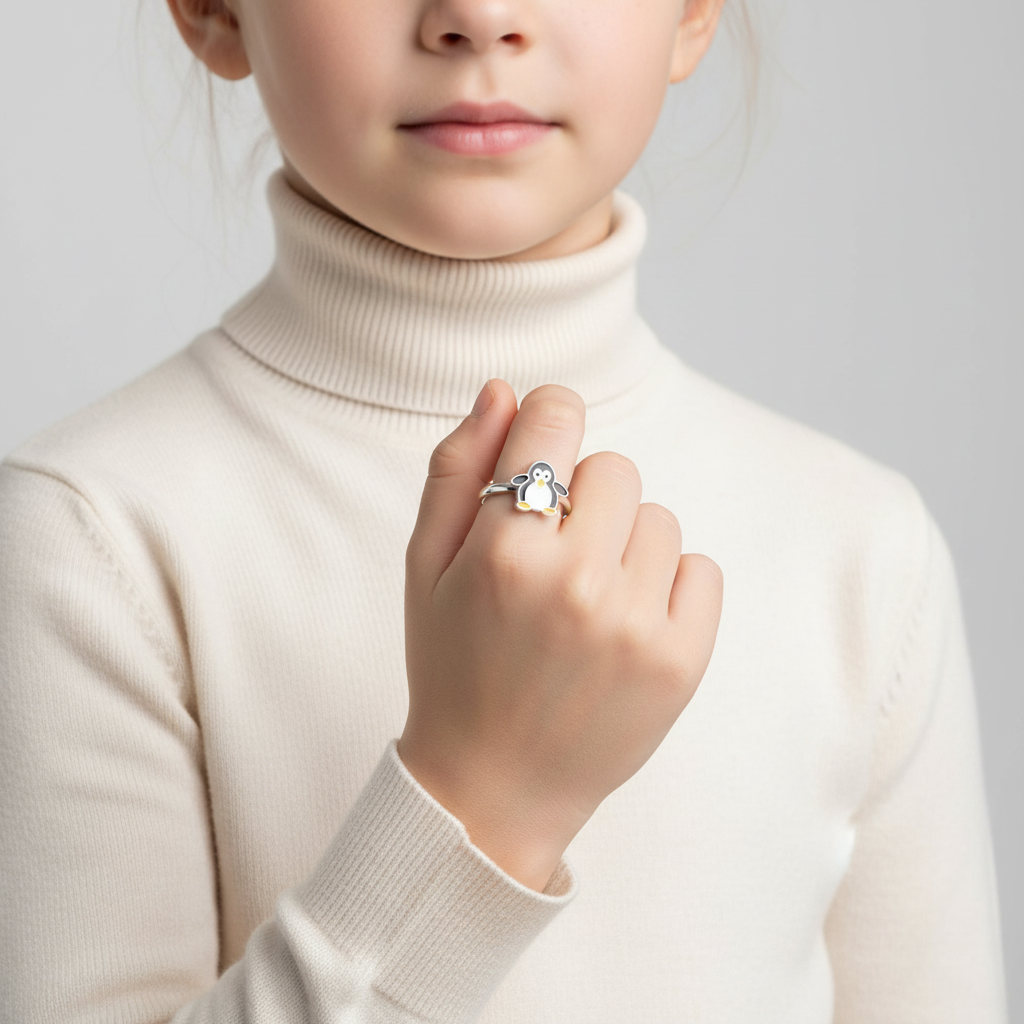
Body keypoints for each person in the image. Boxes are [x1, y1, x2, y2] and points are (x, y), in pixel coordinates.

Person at [0, 0, 1007, 1019]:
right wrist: (479, 799)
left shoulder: (862, 549)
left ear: (693, 11)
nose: (479, 16)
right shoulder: (90, 537)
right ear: (213, 11)